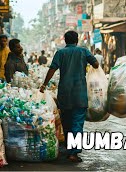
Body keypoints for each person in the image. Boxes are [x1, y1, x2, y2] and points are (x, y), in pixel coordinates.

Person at [40, 31, 99, 162]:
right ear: (77, 40)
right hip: (79, 93)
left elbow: (52, 69)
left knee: (66, 123)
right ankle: (73, 153)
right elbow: (96, 64)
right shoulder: (83, 51)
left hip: (64, 93)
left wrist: (44, 85)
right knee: (77, 123)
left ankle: (69, 148)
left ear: (65, 41)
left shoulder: (60, 53)